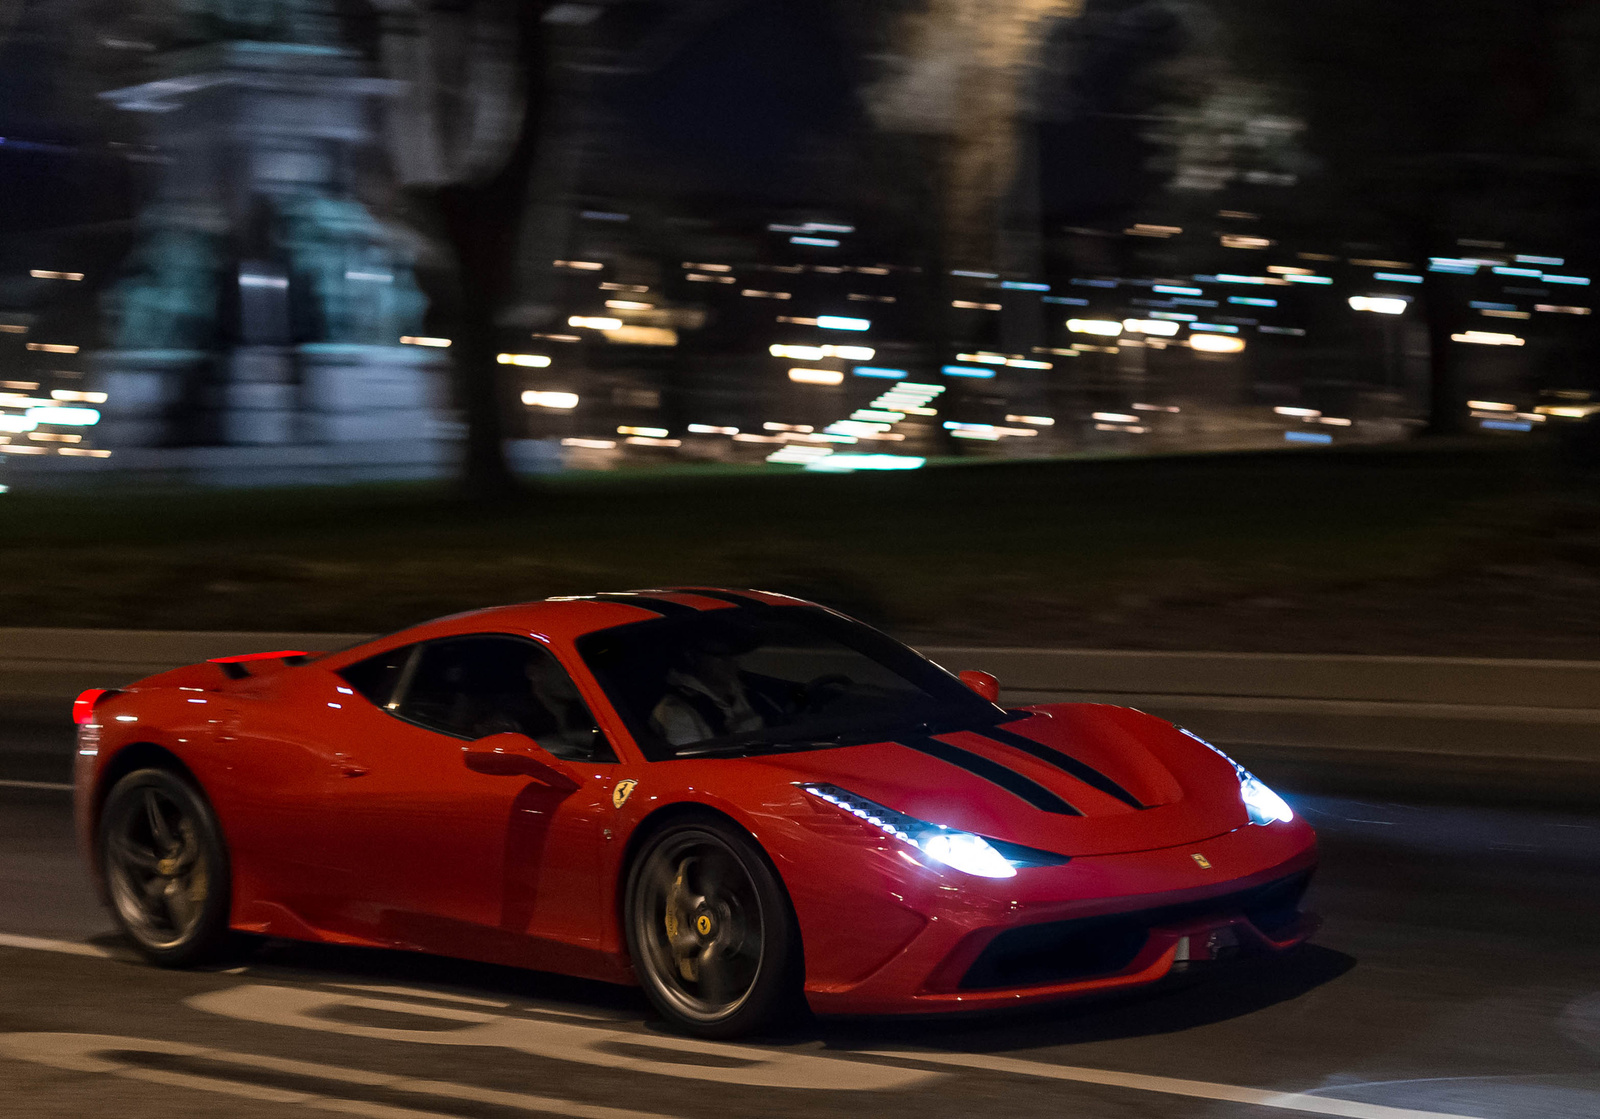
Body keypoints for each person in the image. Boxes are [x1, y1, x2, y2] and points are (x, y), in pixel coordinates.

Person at [650, 643, 765, 747]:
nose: (730, 660)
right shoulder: (676, 711)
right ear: (691, 656)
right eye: (718, 654)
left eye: (731, 653)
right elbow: (696, 765)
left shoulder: (746, 690)